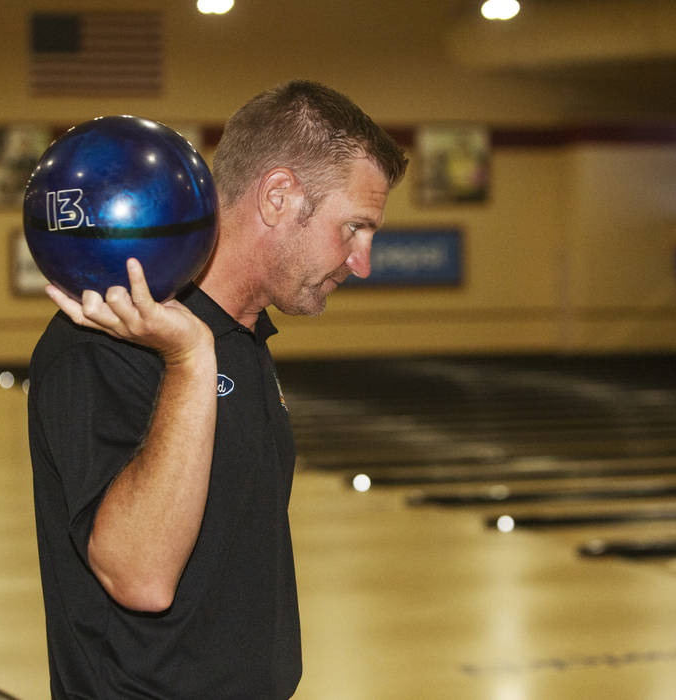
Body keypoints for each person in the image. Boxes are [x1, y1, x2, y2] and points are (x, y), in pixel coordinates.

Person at [27, 79, 407, 699]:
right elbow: (139, 577)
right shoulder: (106, 343)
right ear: (279, 196)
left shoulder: (242, 338)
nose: (362, 262)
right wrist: (189, 358)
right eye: (354, 228)